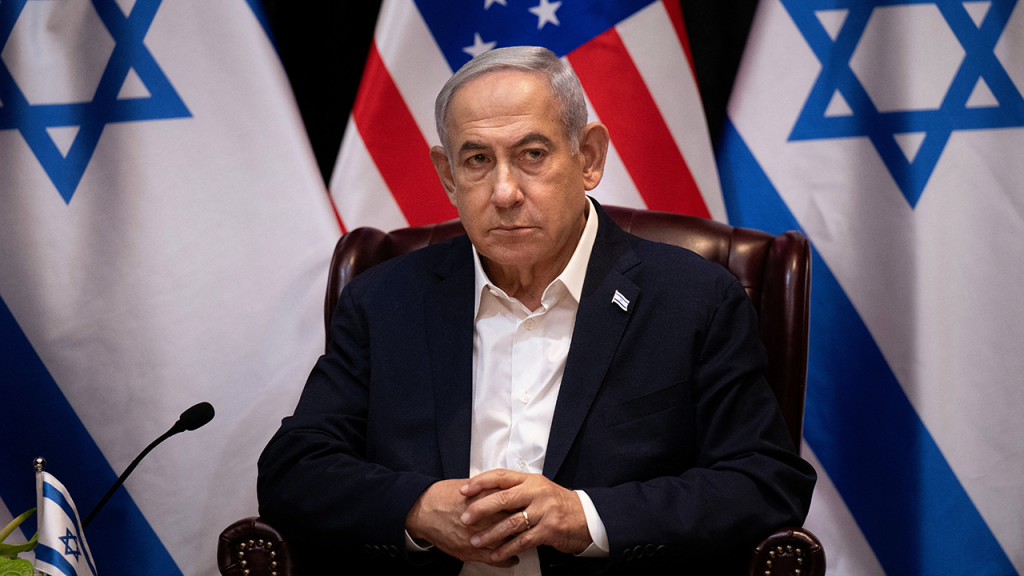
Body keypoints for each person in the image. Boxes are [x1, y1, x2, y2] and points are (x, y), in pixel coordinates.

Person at [257, 46, 815, 575]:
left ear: (588, 157)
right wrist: (418, 508)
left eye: (532, 154)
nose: (504, 191)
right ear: (448, 175)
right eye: (477, 160)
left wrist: (587, 517)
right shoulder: (384, 300)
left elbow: (764, 481)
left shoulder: (695, 299)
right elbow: (293, 469)